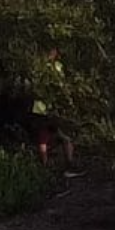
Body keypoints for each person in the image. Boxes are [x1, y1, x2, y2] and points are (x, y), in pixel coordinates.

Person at [28, 49, 80, 178]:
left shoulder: (42, 68)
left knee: (47, 138)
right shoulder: (49, 68)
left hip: (44, 109)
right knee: (56, 137)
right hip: (47, 109)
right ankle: (65, 166)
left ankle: (50, 167)